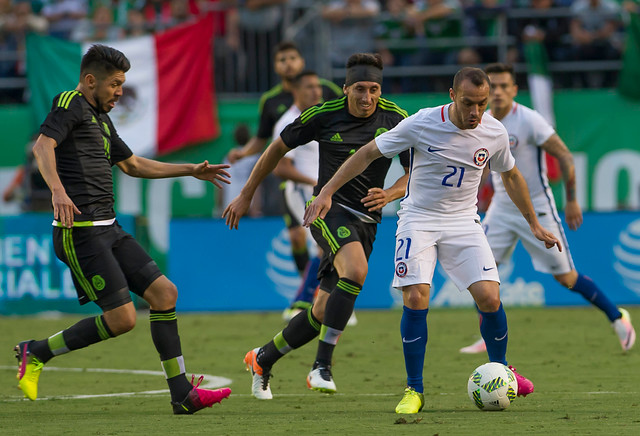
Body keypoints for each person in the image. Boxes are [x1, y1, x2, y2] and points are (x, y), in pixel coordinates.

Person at [303, 67, 562, 414]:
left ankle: (501, 372)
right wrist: (327, 192)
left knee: (489, 295)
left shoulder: (494, 131)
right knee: (416, 295)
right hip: (418, 221)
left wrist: (534, 223)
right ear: (453, 95)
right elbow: (367, 154)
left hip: (463, 222)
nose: (475, 113)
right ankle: (415, 390)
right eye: (469, 103)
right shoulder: (422, 123)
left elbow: (511, 174)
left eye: (482, 105)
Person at [14, 44, 232, 415]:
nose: (119, 92)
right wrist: (58, 191)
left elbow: (131, 164)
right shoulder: (69, 102)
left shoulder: (101, 118)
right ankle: (36, 351)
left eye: (122, 84)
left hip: (109, 228)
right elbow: (43, 146)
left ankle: (181, 394)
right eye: (114, 84)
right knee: (123, 319)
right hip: (80, 231)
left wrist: (190, 168)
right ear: (89, 80)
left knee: (164, 293)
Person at [223, 53, 410, 399]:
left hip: (368, 220)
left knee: (323, 310)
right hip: (327, 210)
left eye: (374, 89)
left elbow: (415, 171)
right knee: (356, 270)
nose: (367, 98)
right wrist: (247, 193)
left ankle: (263, 357)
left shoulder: (397, 118)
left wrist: (391, 192)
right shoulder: (323, 115)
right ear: (345, 88)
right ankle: (321, 366)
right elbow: (275, 148)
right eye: (359, 89)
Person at [458, 63, 636, 355]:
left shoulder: (529, 120)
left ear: (515, 90)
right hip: (502, 208)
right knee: (482, 275)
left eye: (506, 86)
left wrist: (572, 199)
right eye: (495, 87)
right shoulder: (484, 121)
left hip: (538, 207)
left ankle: (618, 317)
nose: (500, 92)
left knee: (566, 278)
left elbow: (565, 156)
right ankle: (490, 336)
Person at [227, 41, 342, 275]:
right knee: (301, 237)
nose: (288, 64)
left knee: (328, 241)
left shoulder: (326, 89)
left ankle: (311, 296)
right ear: (275, 66)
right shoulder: (272, 102)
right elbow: (262, 140)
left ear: (302, 61)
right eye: (282, 60)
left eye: (292, 58)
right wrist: (244, 152)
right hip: (296, 181)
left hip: (330, 178)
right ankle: (307, 291)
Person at [271, 70, 324, 319]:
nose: (315, 91)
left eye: (317, 86)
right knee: (325, 247)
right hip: (304, 192)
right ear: (296, 92)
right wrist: (314, 182)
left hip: (322, 192)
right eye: (309, 87)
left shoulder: (322, 116)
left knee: (328, 248)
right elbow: (281, 167)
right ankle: (301, 304)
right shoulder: (287, 123)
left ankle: (315, 302)